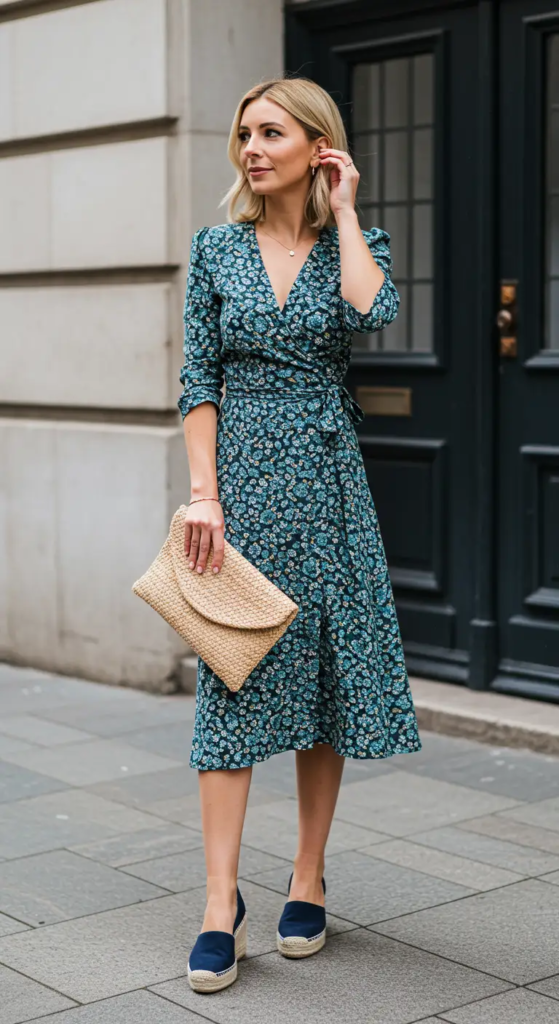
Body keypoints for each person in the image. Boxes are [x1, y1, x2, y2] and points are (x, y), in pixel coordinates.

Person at [177, 75, 422, 993]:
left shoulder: (353, 245)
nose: (250, 148)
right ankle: (217, 903)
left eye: (270, 132)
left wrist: (348, 209)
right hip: (238, 486)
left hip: (327, 484)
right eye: (243, 133)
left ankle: (308, 876)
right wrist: (204, 494)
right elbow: (197, 377)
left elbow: (372, 311)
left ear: (316, 144)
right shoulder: (214, 250)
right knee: (230, 678)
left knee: (322, 678)